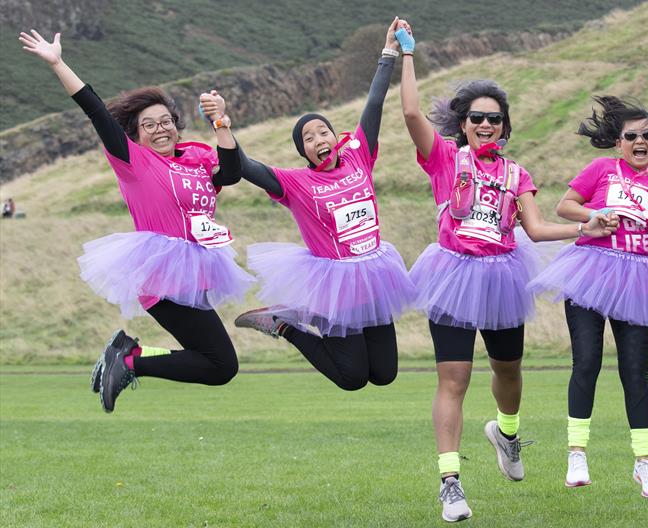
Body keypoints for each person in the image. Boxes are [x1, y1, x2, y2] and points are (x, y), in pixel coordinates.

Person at [396, 26, 614, 522]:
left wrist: (588, 228)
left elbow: (534, 229)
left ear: (505, 125)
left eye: (495, 118)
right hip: (452, 272)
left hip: (501, 276)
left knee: (508, 371)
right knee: (454, 378)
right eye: (477, 117)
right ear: (463, 123)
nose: (486, 124)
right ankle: (450, 482)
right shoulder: (445, 159)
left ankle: (507, 432)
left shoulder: (517, 175)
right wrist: (405, 54)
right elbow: (410, 113)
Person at [19, 30, 255, 413]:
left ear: (176, 126)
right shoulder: (133, 161)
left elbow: (230, 174)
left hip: (196, 268)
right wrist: (58, 63)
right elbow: (95, 109)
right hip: (161, 271)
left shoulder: (196, 159)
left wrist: (221, 124)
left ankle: (130, 354)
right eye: (150, 125)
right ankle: (129, 360)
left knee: (213, 360)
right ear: (136, 134)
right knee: (221, 365)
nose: (161, 129)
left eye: (167, 122)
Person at [216, 18, 417, 392]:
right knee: (353, 378)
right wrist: (222, 124)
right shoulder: (296, 183)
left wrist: (389, 52)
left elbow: (374, 103)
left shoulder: (359, 156)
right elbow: (244, 166)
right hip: (335, 284)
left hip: (374, 276)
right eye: (308, 138)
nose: (318, 139)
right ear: (303, 151)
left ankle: (292, 323)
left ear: (333, 136)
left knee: (385, 374)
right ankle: (285, 325)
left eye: (322, 131)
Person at [528, 96, 648, 498]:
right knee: (586, 362)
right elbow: (564, 205)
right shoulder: (602, 170)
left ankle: (645, 463)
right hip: (591, 271)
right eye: (631, 136)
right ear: (618, 143)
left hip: (638, 281)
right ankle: (577, 454)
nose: (639, 141)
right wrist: (595, 216)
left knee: (635, 373)